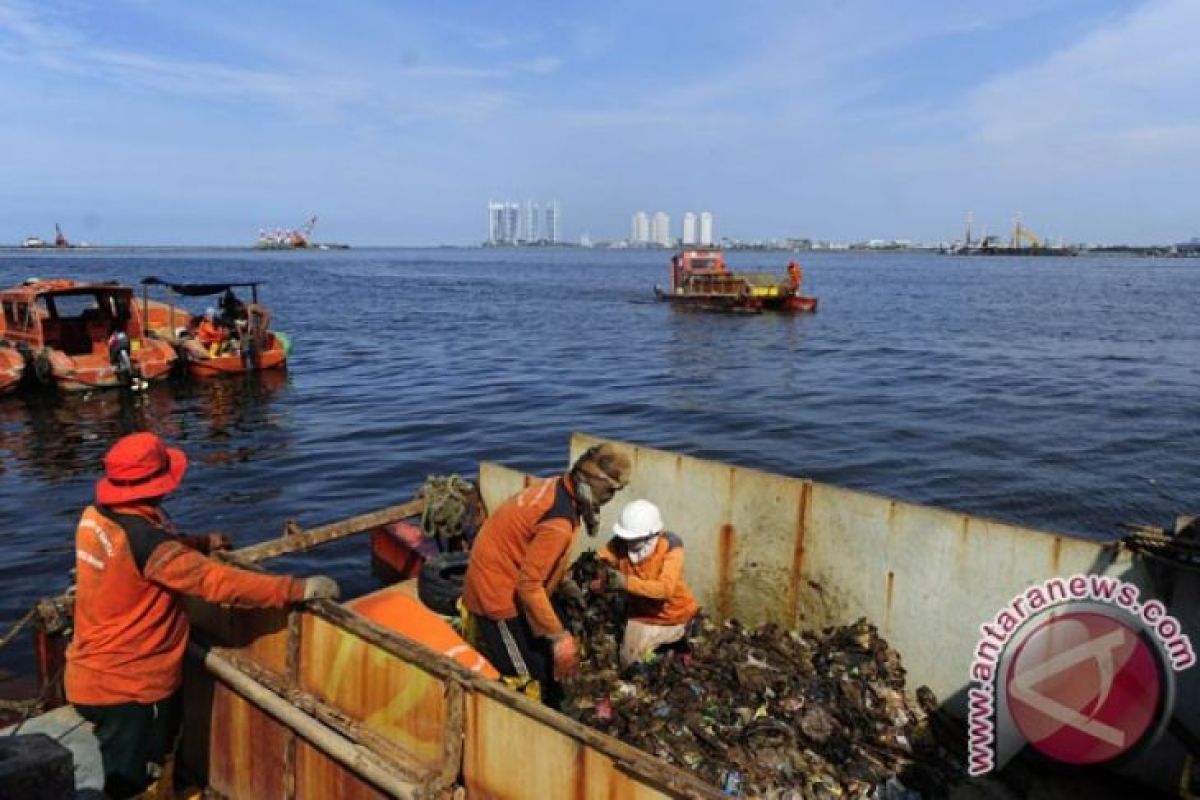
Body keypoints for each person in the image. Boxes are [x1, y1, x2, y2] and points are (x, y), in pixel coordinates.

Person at [66, 432, 340, 798]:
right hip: (132, 691)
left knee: (127, 764)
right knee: (134, 782)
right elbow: (216, 582)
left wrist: (199, 544)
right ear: (157, 484)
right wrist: (295, 589)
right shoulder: (153, 546)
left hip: (88, 672)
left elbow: (144, 554)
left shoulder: (94, 519)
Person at [461, 443, 632, 707]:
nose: (611, 497)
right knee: (524, 673)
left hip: (514, 575)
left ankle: (550, 693)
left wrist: (562, 583)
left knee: (549, 649)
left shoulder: (558, 488)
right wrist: (561, 640)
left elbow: (536, 559)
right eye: (610, 491)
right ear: (593, 483)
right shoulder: (558, 522)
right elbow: (529, 585)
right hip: (497, 596)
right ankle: (526, 716)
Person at [593, 499, 700, 668]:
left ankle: (681, 638)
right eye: (626, 537)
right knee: (629, 663)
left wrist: (624, 582)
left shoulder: (670, 546)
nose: (628, 542)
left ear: (651, 534)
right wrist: (596, 575)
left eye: (633, 538)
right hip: (643, 615)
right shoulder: (620, 543)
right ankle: (665, 648)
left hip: (676, 615)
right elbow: (600, 559)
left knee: (657, 662)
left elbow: (665, 590)